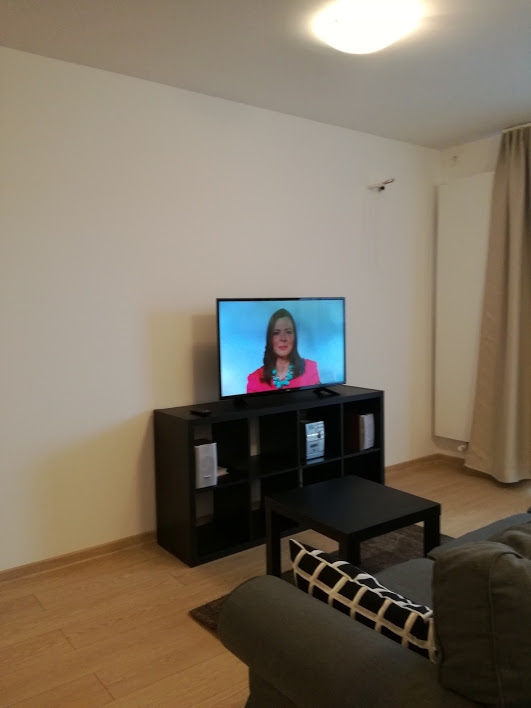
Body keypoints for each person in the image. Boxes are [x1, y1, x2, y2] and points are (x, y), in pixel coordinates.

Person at [246, 308, 320, 393]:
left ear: (295, 337)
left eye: (288, 332)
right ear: (270, 339)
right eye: (276, 333)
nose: (283, 338)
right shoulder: (255, 379)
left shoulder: (310, 368)